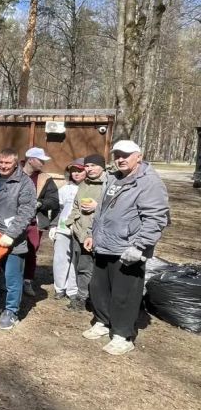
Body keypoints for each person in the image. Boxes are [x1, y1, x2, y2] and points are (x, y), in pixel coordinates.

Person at [82, 140, 169, 355]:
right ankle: (103, 321)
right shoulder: (112, 178)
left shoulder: (149, 182)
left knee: (125, 294)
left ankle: (123, 335)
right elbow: (101, 210)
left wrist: (139, 246)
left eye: (126, 155)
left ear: (138, 156)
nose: (120, 158)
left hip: (127, 248)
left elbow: (156, 218)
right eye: (117, 155)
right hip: (104, 244)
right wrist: (92, 234)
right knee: (99, 288)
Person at [0, 148, 37, 330]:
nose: (3, 166)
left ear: (15, 163)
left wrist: (11, 235)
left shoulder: (24, 183)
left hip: (12, 239)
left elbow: (27, 211)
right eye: (0, 162)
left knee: (12, 277)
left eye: (7, 163)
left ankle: (11, 311)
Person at [66, 153, 107, 311]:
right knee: (80, 266)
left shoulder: (109, 183)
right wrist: (70, 223)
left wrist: (98, 207)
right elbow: (76, 205)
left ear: (102, 166)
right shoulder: (84, 183)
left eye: (94, 166)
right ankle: (82, 296)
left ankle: (90, 298)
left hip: (98, 233)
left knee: (93, 268)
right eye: (87, 166)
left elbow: (116, 206)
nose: (90, 169)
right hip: (79, 231)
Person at [22, 147, 60, 297]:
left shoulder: (45, 178)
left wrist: (40, 204)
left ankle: (27, 281)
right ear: (30, 160)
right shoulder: (14, 173)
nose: (43, 163)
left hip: (34, 221)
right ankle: (7, 280)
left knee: (31, 251)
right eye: (41, 160)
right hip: (13, 220)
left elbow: (54, 200)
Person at [49, 159, 86, 301]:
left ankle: (73, 289)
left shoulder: (90, 189)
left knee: (75, 260)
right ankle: (60, 288)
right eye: (73, 171)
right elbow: (57, 210)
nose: (76, 174)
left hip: (80, 230)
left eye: (79, 170)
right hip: (63, 228)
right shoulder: (64, 190)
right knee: (60, 259)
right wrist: (53, 226)